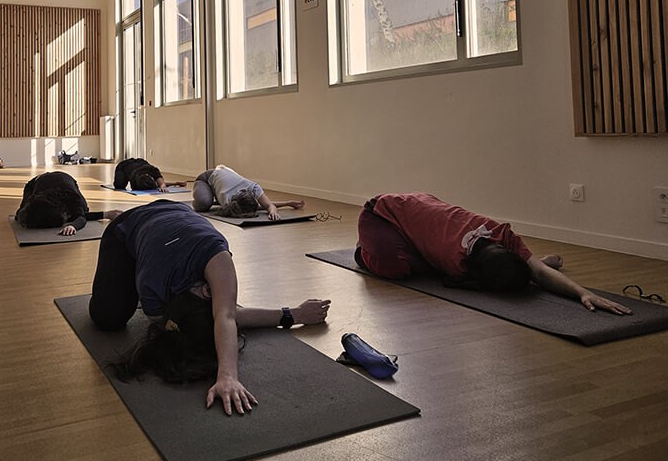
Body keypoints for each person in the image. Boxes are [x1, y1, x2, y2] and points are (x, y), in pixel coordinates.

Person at [88, 199, 331, 414]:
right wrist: (228, 376)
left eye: (212, 296)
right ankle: (134, 256)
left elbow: (225, 315)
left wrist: (294, 314)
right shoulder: (153, 286)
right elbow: (226, 315)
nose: (212, 292)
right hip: (126, 228)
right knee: (107, 319)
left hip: (175, 219)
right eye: (212, 295)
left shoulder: (212, 261)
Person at [354, 192, 632, 314]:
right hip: (381, 213)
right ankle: (362, 252)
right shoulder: (454, 261)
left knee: (422, 261)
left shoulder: (502, 233)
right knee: (398, 269)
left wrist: (583, 292)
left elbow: (539, 272)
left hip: (421, 209)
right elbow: (535, 272)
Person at [16, 171, 121, 236]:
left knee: (83, 209)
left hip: (66, 178)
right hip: (36, 181)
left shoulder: (73, 198)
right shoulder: (37, 197)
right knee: (20, 215)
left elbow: (81, 217)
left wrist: (73, 226)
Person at [193, 163, 305, 221]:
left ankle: (214, 193)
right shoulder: (228, 200)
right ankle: (207, 193)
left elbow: (267, 205)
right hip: (206, 179)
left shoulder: (254, 188)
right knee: (203, 204)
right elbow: (261, 206)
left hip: (225, 174)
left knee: (211, 199)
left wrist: (285, 205)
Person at [113, 157, 186, 192]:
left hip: (140, 162)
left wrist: (176, 183)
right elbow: (158, 184)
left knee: (151, 183)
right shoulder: (134, 178)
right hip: (123, 166)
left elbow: (161, 184)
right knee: (119, 186)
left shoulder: (152, 170)